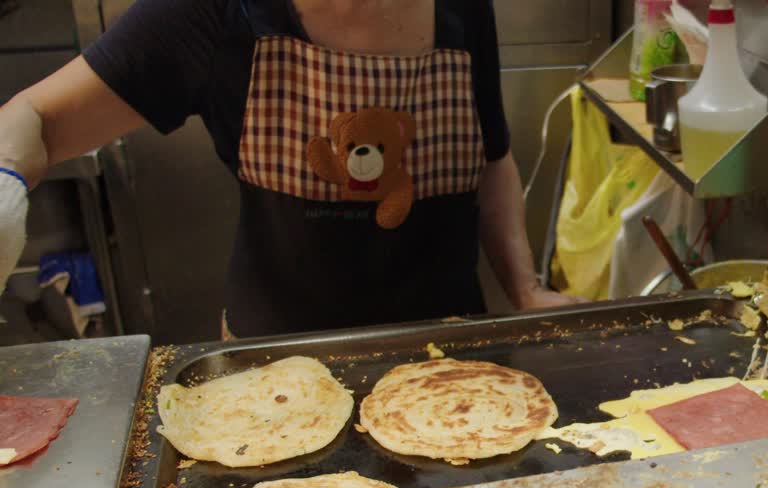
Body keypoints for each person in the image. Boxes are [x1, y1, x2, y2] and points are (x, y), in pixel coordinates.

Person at [0, 0, 577, 338]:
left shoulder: (464, 7)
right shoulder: (216, 12)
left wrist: (523, 291)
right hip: (276, 363)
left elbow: (493, 157)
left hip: (446, 348)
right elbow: (35, 119)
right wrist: (4, 186)